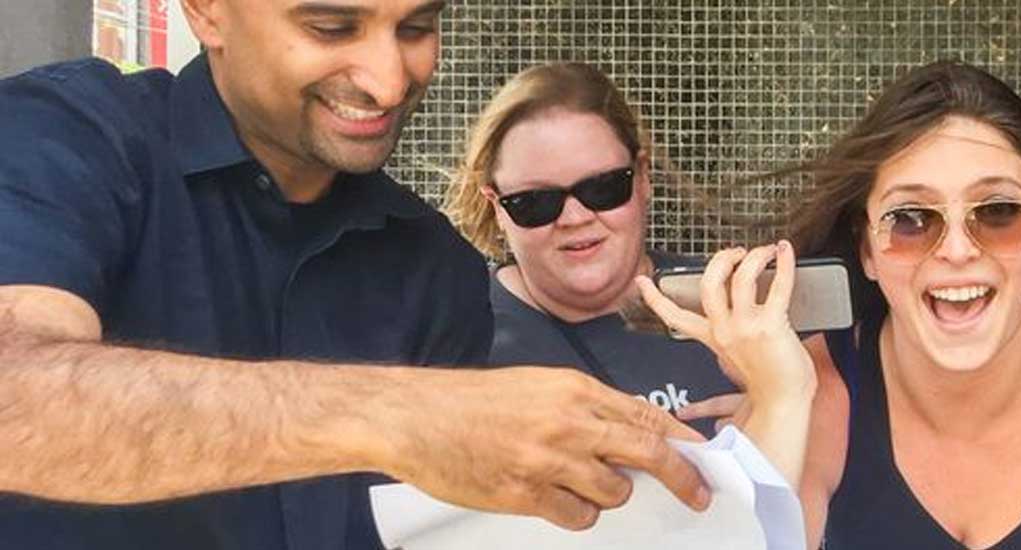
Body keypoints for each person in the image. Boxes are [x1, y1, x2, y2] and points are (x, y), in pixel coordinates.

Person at [0, 1, 712, 549]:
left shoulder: (434, 268)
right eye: (331, 27)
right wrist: (397, 415)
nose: (388, 81)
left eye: (416, 27)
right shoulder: (69, 134)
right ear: (207, 11)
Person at [640, 60, 1021, 549]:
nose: (957, 250)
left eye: (998, 213)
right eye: (910, 220)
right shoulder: (816, 395)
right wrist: (780, 402)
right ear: (866, 248)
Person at [442, 62, 742, 436]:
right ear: (497, 208)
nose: (575, 218)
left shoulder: (737, 311)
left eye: (603, 188)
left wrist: (772, 425)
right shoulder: (449, 341)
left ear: (643, 177)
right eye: (535, 202)